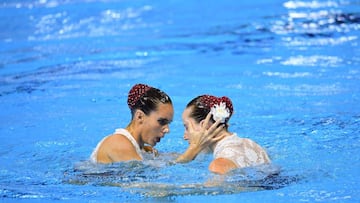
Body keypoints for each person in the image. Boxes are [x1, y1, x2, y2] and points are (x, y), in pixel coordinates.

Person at [176, 95, 271, 174]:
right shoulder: (253, 145)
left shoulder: (219, 165)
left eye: (187, 127)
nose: (185, 136)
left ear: (204, 126)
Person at [90, 83, 174, 163]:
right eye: (162, 121)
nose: (167, 130)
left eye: (168, 123)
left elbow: (175, 159)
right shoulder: (118, 143)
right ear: (140, 116)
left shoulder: (144, 150)